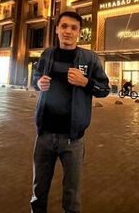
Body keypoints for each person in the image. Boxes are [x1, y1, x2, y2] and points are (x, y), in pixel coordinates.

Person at [30, 11, 110, 213]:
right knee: (38, 192)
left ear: (79, 33)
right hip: (44, 136)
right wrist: (38, 83)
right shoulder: (47, 54)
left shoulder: (89, 58)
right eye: (64, 26)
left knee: (72, 196)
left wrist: (86, 82)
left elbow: (104, 89)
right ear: (57, 29)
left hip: (73, 139)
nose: (68, 31)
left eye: (74, 28)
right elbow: (35, 78)